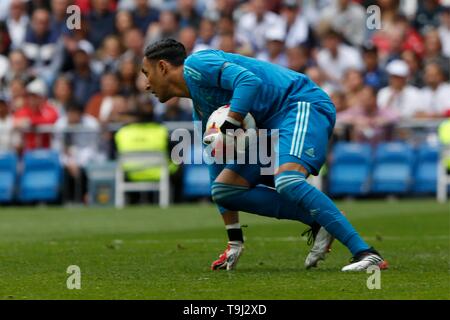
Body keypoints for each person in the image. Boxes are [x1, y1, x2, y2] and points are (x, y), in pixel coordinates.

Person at [140, 39, 388, 272]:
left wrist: (231, 122)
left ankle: (366, 253)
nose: (146, 84)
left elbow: (248, 81)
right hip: (268, 127)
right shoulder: (200, 107)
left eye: (146, 73)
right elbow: (215, 165)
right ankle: (321, 221)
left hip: (298, 103)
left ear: (162, 67)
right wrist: (234, 241)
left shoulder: (197, 64)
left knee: (288, 180)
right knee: (225, 189)